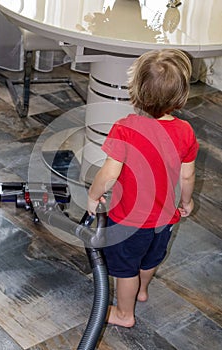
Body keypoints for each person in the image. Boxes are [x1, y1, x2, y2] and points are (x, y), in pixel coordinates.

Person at [87, 49, 199, 328]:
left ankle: (125, 313)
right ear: (180, 95)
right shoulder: (185, 131)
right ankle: (142, 291)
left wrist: (93, 194)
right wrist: (187, 202)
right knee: (150, 258)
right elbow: (187, 176)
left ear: (134, 90)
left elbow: (110, 173)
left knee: (125, 269)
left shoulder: (125, 129)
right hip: (165, 217)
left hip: (130, 219)